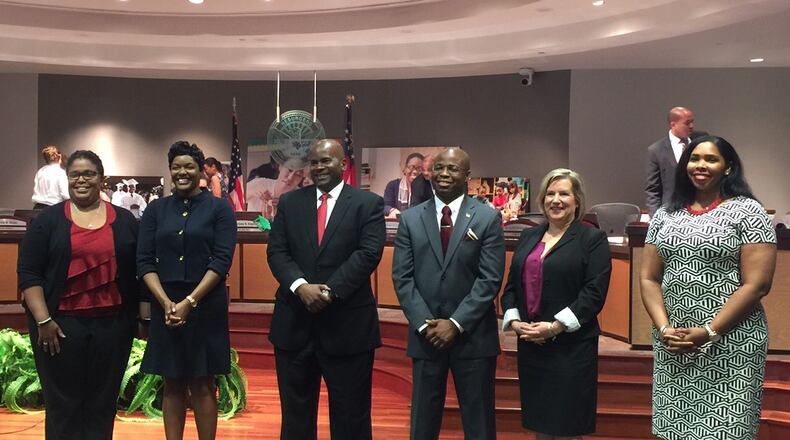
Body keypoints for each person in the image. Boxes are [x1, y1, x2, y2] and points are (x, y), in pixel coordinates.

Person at [640, 135, 776, 440]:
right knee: (674, 431)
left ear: (728, 167)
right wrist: (664, 329)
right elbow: (649, 278)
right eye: (694, 158)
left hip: (731, 343)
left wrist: (709, 331)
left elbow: (757, 285)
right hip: (675, 343)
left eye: (711, 159)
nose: (700, 165)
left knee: (728, 432)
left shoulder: (748, 211)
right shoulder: (666, 214)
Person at [17, 150, 142, 440]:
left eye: (89, 174)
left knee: (102, 404)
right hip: (58, 329)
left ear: (101, 179)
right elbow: (29, 273)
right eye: (75, 175)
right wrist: (43, 320)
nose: (81, 180)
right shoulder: (48, 221)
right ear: (67, 178)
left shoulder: (125, 221)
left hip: (112, 327)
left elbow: (140, 269)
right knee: (63, 406)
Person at [267, 139, 386, 439]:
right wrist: (301, 287)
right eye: (314, 162)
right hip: (295, 326)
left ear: (342, 164)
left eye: (326, 161)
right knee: (295, 419)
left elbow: (368, 254)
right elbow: (277, 252)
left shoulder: (367, 204)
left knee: (351, 418)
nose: (319, 167)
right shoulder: (290, 203)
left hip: (347, 328)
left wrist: (329, 292)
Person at [392, 147, 505, 440]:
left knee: (479, 425)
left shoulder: (487, 218)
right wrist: (424, 323)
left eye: (453, 168)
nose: (444, 174)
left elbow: (490, 279)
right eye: (439, 168)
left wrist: (455, 324)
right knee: (422, 425)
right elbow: (402, 278)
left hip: (473, 338)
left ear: (467, 175)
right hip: (426, 336)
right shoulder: (410, 219)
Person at [501, 168, 611, 439]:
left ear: (577, 200)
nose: (556, 200)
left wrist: (554, 327)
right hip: (532, 344)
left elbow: (593, 293)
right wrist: (516, 323)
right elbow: (512, 286)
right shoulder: (528, 237)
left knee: (567, 426)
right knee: (540, 423)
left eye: (564, 194)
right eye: (550, 194)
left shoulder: (592, 239)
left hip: (570, 348)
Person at [137, 141, 237, 440]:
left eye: (189, 166)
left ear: (200, 170)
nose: (182, 172)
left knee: (203, 383)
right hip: (165, 306)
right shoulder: (156, 209)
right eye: (176, 167)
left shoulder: (220, 208)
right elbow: (144, 261)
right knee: (172, 382)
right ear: (170, 170)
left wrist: (189, 302)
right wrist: (166, 302)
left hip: (205, 305)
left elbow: (221, 260)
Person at [645, 106, 707, 215]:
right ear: (673, 125)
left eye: (692, 122)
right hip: (672, 210)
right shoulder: (657, 150)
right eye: (687, 123)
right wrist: (655, 217)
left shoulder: (702, 140)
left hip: (702, 207)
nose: (691, 126)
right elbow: (653, 189)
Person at [383, 152, 432, 217]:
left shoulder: (427, 187)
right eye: (411, 167)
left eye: (419, 169)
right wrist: (392, 211)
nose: (415, 171)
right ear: (405, 169)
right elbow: (385, 205)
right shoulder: (393, 185)